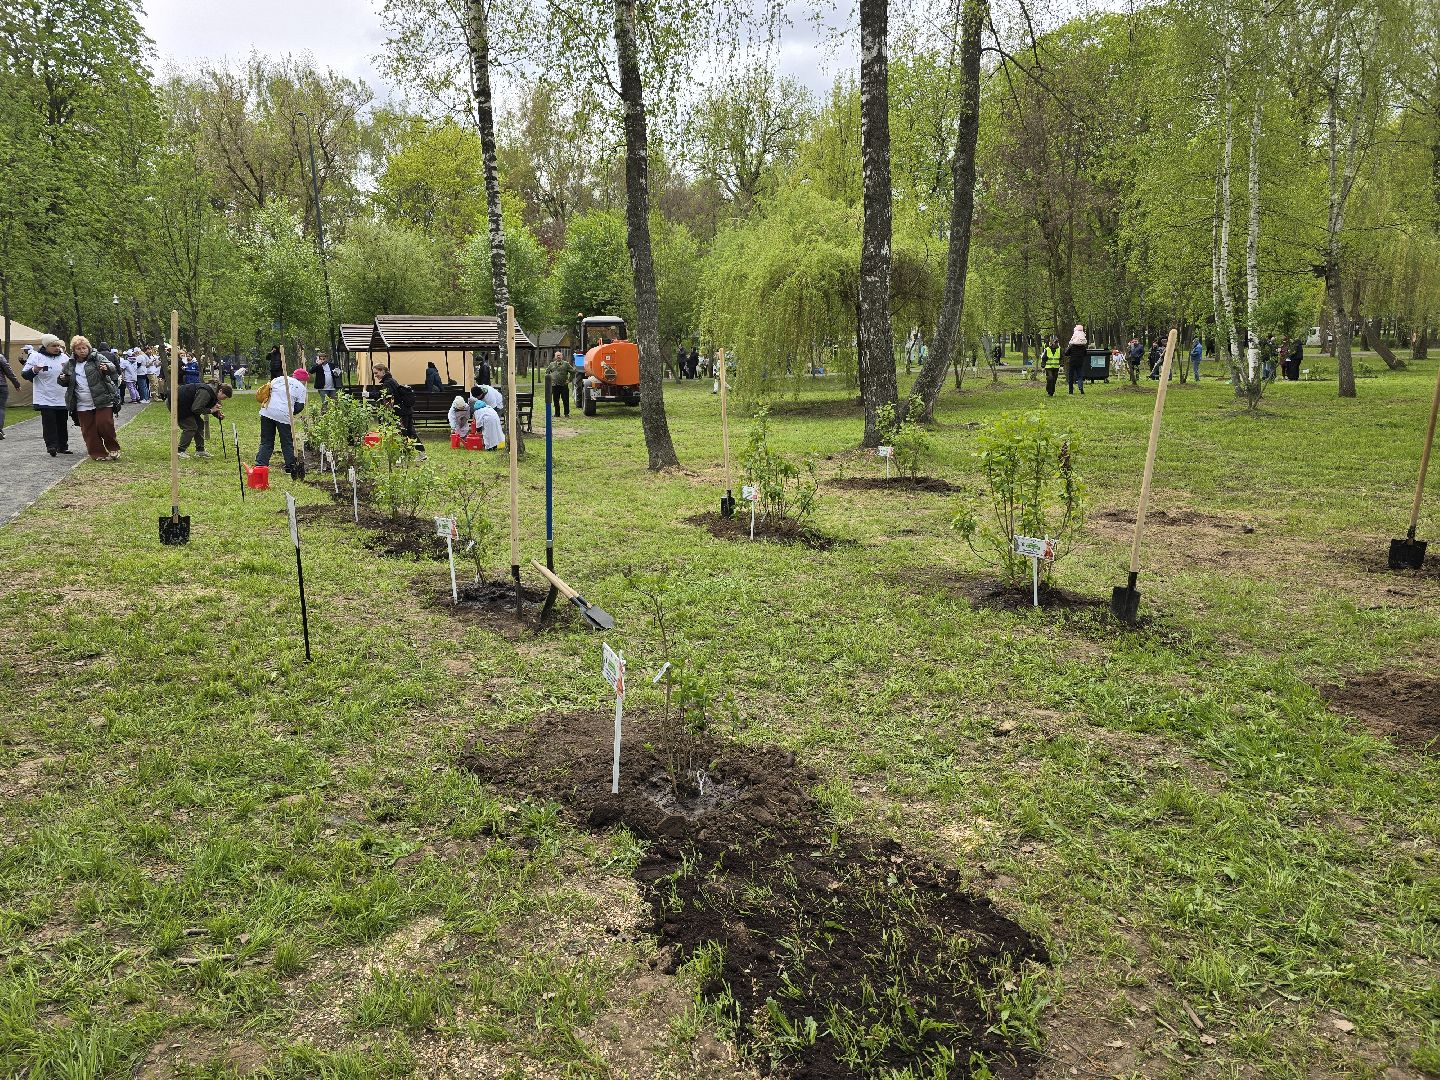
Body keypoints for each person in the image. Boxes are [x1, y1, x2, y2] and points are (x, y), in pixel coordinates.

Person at [61, 336, 123, 461]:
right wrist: (63, 379)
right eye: (78, 348)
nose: (82, 351)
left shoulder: (97, 357)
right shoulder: (70, 363)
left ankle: (113, 448)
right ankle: (98, 453)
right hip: (82, 401)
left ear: (88, 348)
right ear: (74, 350)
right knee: (88, 429)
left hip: (102, 398)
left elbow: (113, 368)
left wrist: (106, 368)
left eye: (84, 348)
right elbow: (63, 380)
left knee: (104, 424)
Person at [23, 334, 72, 456]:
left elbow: (72, 375)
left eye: (58, 345)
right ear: (46, 346)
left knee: (62, 422)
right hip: (44, 397)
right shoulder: (36, 356)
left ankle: (63, 446)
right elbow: (25, 375)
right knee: (49, 422)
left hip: (61, 396)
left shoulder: (64, 358)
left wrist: (67, 376)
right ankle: (51, 446)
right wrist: (35, 370)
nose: (57, 348)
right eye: (54, 346)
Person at [256, 367, 308, 475]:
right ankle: (290, 466)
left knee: (266, 441)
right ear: (303, 380)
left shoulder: (279, 379)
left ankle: (260, 465)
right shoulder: (301, 388)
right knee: (287, 442)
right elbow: (300, 406)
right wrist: (291, 411)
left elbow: (267, 391)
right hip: (283, 415)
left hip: (267, 411)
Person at [374, 363, 424, 456]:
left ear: (382, 371)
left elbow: (385, 396)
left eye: (376, 373)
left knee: (402, 433)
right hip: (406, 410)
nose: (375, 375)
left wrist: (370, 395)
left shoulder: (388, 383)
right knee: (410, 432)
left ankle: (404, 455)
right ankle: (421, 453)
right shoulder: (392, 380)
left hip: (400, 412)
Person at [176, 379, 232, 458]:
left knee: (199, 424)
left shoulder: (213, 393)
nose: (224, 399)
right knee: (191, 427)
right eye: (225, 397)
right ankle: (179, 451)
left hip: (188, 405)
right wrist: (211, 410)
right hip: (177, 402)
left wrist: (217, 414)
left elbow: (210, 405)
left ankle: (200, 451)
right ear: (220, 390)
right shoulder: (206, 392)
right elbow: (196, 409)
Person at [0, 348, 20, 439]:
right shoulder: (0, 357)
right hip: (1, 386)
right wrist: (16, 383)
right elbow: (9, 371)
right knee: (0, 408)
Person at [546, 349, 572, 417]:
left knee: (565, 400)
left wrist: (569, 380)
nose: (558, 357)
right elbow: (547, 372)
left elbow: (573, 372)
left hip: (564, 385)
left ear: (562, 356)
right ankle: (557, 413)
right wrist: (550, 379)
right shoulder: (552, 364)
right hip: (554, 385)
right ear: (555, 357)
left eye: (559, 355)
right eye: (557, 355)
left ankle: (566, 413)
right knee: (555, 400)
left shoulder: (566, 364)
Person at [1065, 325, 1088, 395]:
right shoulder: (1083, 347)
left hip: (1072, 362)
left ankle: (1071, 391)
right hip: (1080, 362)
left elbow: (1066, 353)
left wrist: (1068, 347)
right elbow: (1085, 354)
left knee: (1071, 376)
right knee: (1080, 376)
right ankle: (1081, 388)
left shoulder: (1072, 346)